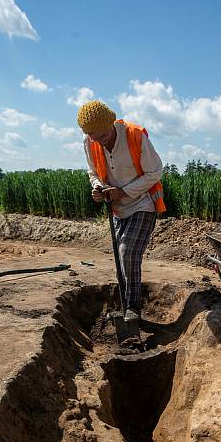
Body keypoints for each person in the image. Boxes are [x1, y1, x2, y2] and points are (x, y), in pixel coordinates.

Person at [77, 100, 164, 321]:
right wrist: (97, 187)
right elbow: (93, 172)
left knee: (127, 252)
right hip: (116, 209)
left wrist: (123, 192)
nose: (99, 142)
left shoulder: (135, 135)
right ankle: (125, 305)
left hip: (142, 203)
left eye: (102, 136)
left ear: (111, 124)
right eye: (93, 137)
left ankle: (133, 308)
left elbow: (154, 172)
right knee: (120, 257)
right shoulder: (91, 141)